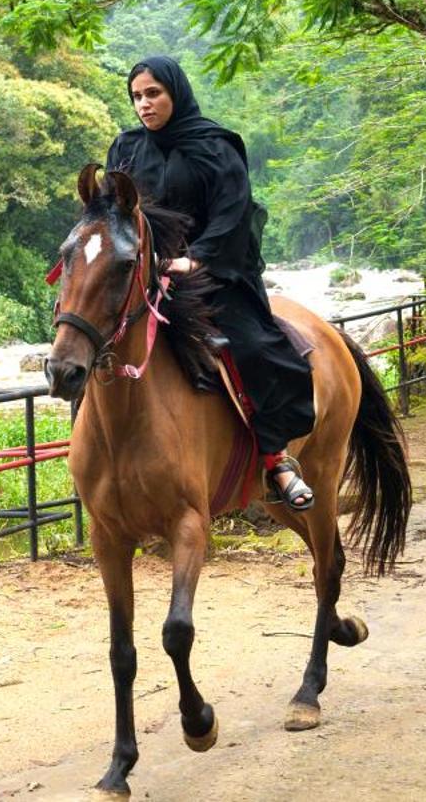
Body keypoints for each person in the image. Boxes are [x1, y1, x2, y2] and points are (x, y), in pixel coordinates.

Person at [106, 55, 318, 510]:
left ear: (175, 93)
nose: (143, 105)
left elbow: (233, 212)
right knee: (89, 347)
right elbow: (112, 214)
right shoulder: (125, 149)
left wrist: (195, 260)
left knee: (252, 348)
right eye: (136, 97)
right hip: (143, 278)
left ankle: (275, 459)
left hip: (210, 276)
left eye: (153, 94)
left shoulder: (214, 145)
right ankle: (98, 464)